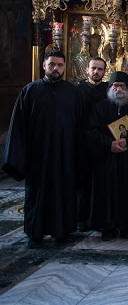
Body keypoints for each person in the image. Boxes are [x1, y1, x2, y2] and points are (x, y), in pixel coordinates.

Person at [3, 51, 81, 248]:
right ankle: (35, 233)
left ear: (64, 67)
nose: (56, 69)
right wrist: (20, 156)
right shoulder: (30, 91)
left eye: (60, 65)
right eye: (52, 64)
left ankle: (62, 231)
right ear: (44, 66)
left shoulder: (72, 92)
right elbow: (19, 127)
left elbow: (79, 124)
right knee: (37, 193)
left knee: (64, 192)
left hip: (65, 153)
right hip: (39, 154)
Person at [87, 72, 128, 241]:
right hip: (106, 159)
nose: (119, 89)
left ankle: (127, 226)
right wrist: (109, 144)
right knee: (106, 193)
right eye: (115, 86)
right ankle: (108, 226)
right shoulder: (100, 107)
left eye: (122, 86)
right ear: (110, 88)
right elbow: (91, 131)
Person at [76, 56, 108, 232]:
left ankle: (100, 219)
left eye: (100, 69)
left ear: (104, 71)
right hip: (83, 145)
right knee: (83, 184)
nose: (96, 72)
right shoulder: (78, 91)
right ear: (87, 70)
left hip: (103, 145)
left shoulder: (108, 90)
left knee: (102, 184)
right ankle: (82, 218)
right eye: (93, 69)